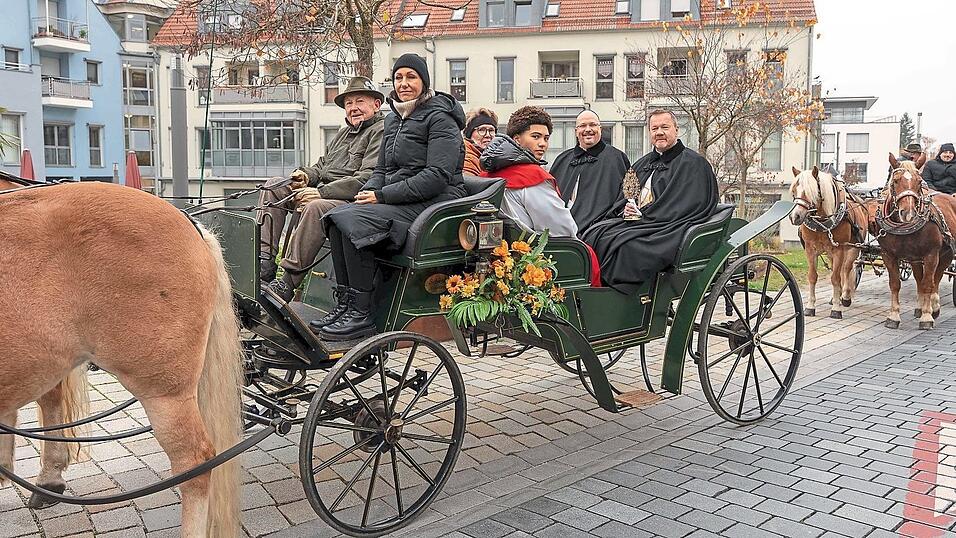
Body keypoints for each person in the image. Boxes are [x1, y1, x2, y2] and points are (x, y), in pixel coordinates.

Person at [315, 54, 467, 341]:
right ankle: (346, 305)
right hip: (400, 197)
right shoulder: (395, 119)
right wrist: (366, 193)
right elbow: (382, 169)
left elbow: (436, 176)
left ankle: (361, 314)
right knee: (336, 217)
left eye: (411, 77)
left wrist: (382, 195)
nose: (404, 83)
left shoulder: (440, 119)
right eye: (399, 78)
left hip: (434, 201)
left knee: (352, 220)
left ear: (424, 81)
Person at [258, 76, 385, 301]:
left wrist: (320, 192)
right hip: (323, 193)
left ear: (376, 105)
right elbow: (321, 167)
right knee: (274, 185)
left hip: (352, 201)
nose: (353, 108)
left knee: (316, 207)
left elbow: (367, 178)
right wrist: (305, 176)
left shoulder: (380, 131)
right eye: (348, 104)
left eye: (359, 102)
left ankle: (287, 283)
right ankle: (265, 264)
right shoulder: (343, 134)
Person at [581, 109, 718, 293]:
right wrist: (626, 210)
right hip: (637, 224)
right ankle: (595, 291)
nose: (659, 132)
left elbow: (686, 204)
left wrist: (645, 215)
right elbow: (624, 197)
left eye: (664, 127)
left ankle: (624, 299)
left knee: (628, 248)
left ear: (676, 130)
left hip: (668, 226)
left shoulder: (694, 164)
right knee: (595, 234)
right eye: (654, 128)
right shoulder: (642, 163)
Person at [479, 106, 577, 237]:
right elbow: (562, 230)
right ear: (516, 139)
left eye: (546, 138)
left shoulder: (486, 174)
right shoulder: (532, 178)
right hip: (532, 251)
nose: (543, 144)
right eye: (536, 136)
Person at [549, 110, 631, 233]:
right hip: (560, 227)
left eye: (592, 125)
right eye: (582, 126)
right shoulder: (562, 159)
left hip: (599, 228)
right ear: (576, 131)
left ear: (600, 129)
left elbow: (625, 197)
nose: (588, 129)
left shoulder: (616, 158)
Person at [462, 107, 498, 176]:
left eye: (491, 130)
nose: (488, 135)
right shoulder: (466, 158)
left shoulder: (491, 157)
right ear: (469, 134)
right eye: (482, 130)